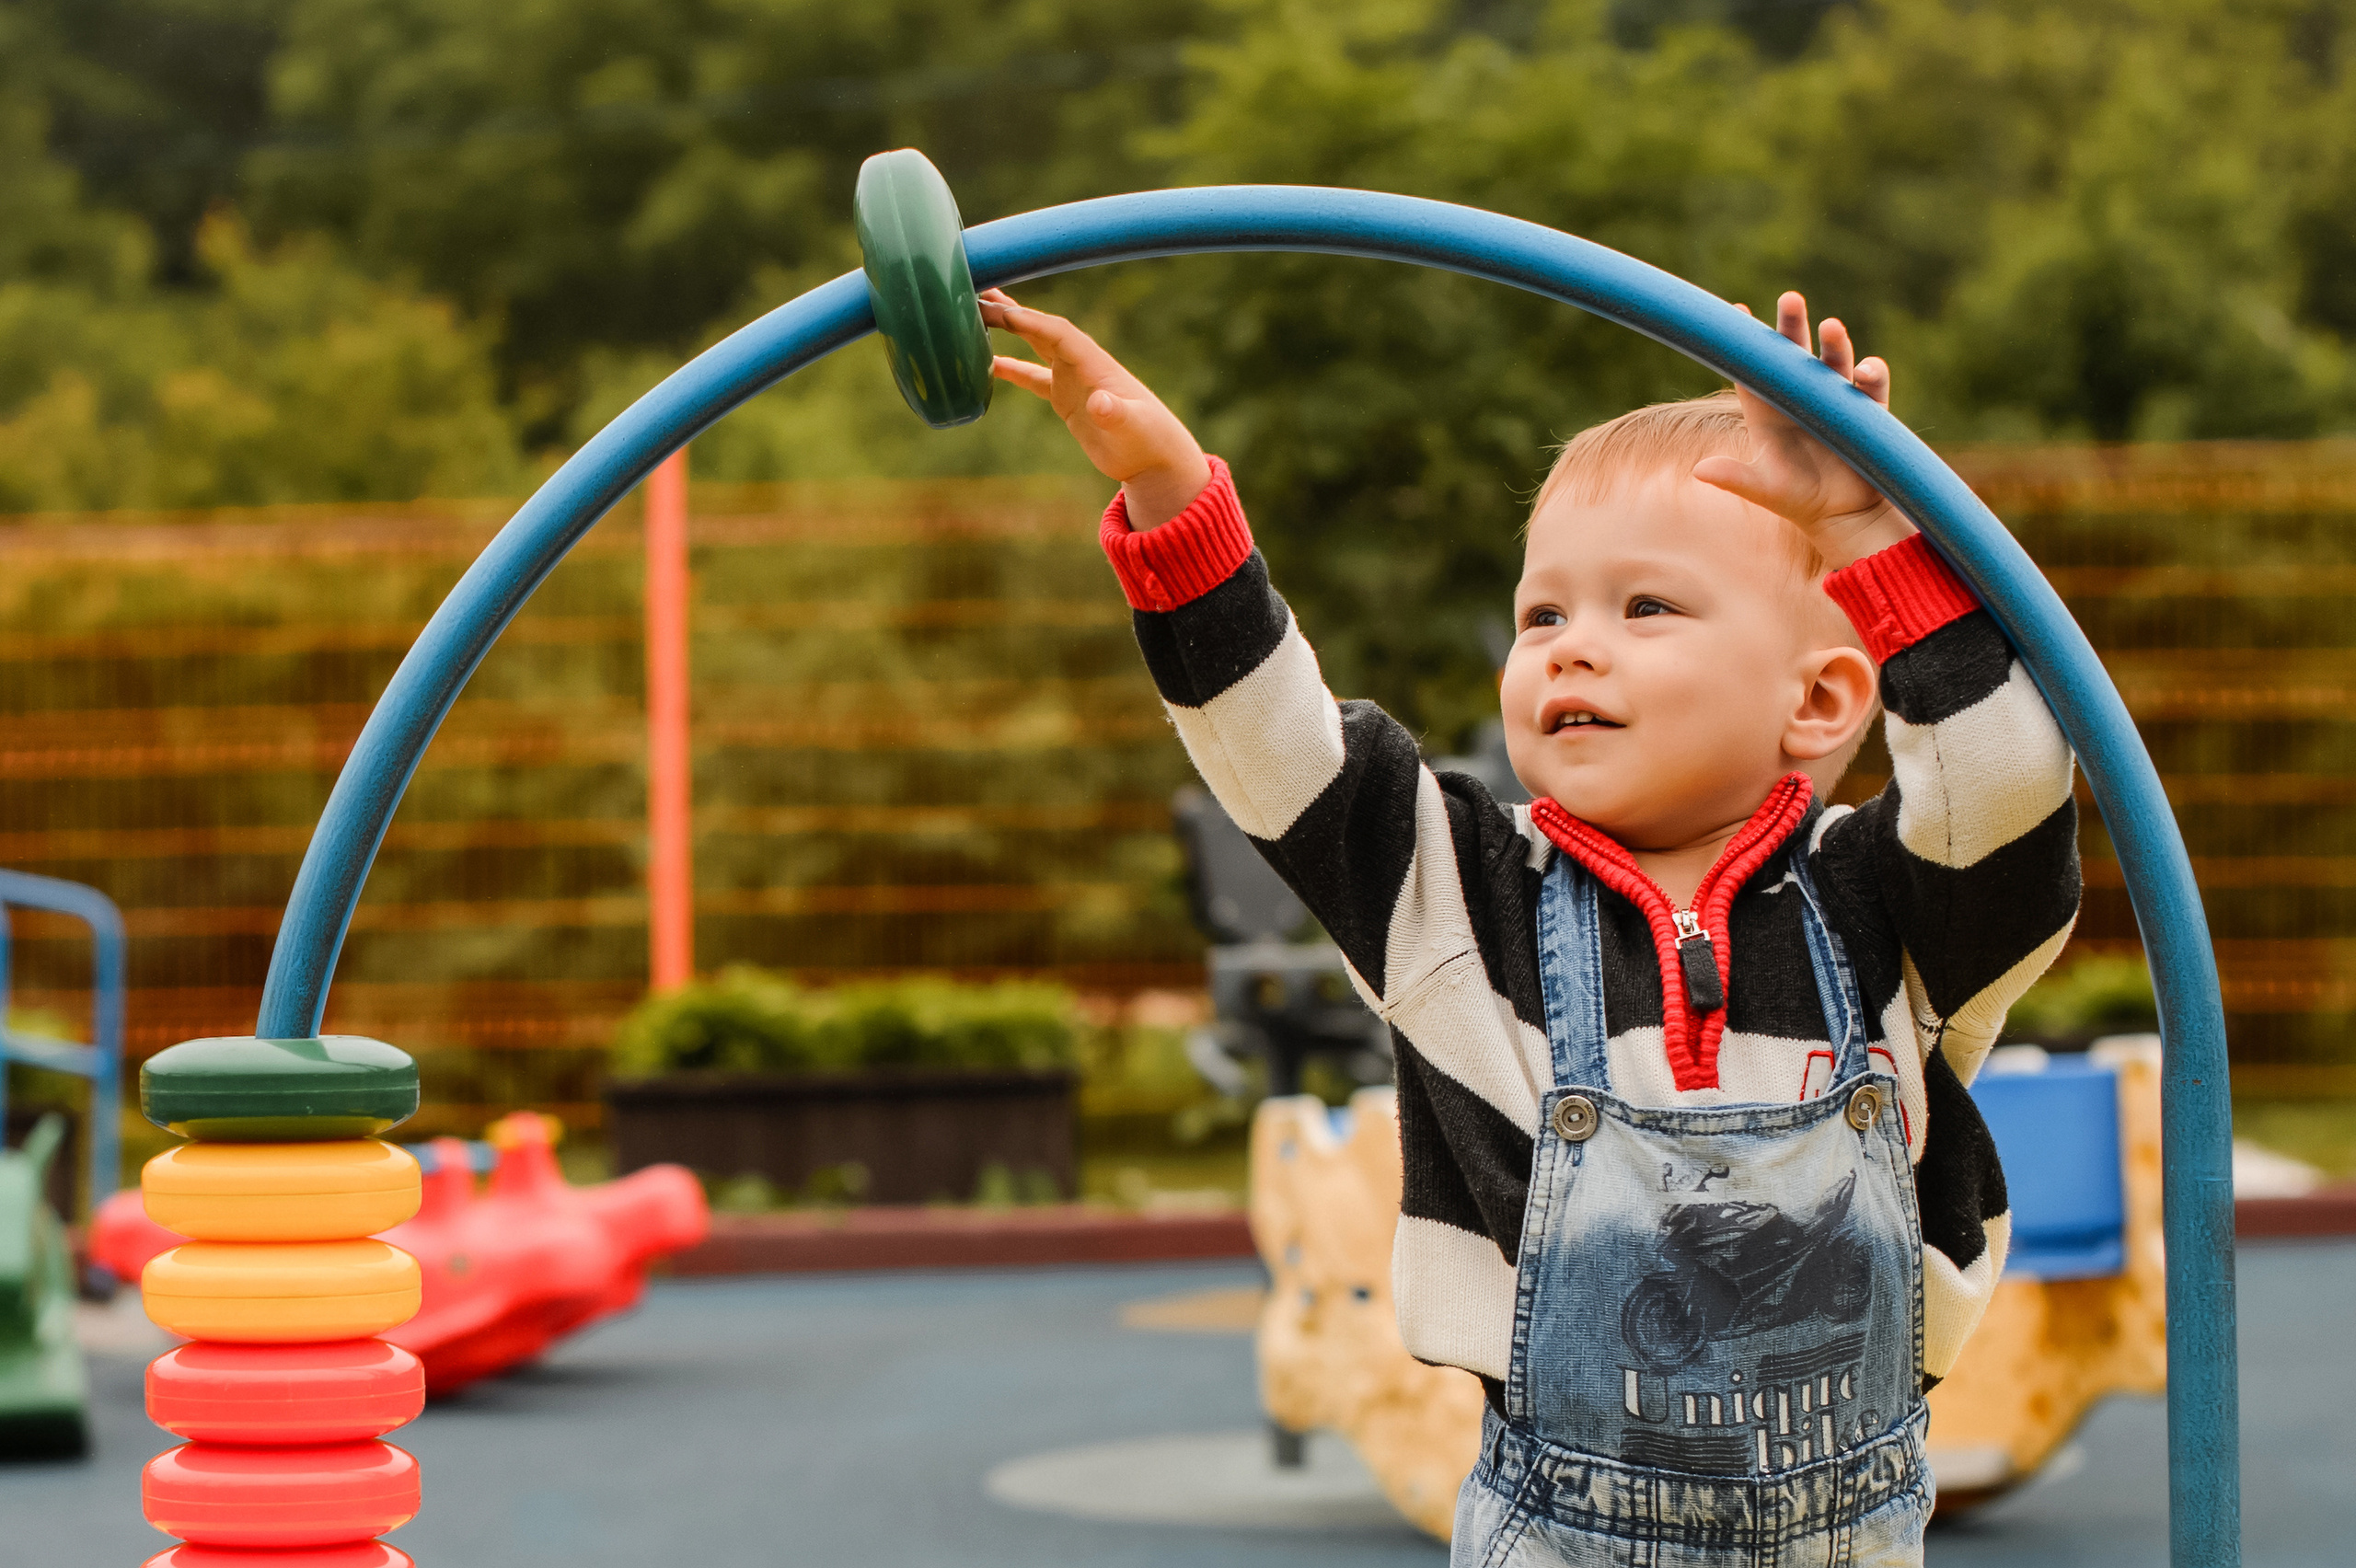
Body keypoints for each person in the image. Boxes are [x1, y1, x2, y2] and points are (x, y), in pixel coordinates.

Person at [980, 285, 2078, 1566]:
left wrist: (1867, 531)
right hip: (1560, 1533)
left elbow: (2008, 783)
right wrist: (1174, 496)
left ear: (1822, 700)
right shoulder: (1457, 890)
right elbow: (1278, 747)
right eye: (1542, 614)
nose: (1572, 649)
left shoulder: (1891, 905)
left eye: (1645, 608)